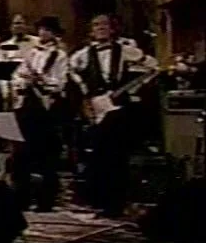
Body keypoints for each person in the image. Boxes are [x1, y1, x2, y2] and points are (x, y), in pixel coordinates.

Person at [69, 14, 158, 217]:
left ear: (113, 29)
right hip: (97, 105)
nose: (100, 28)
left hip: (118, 107)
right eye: (96, 25)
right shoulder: (83, 54)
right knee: (98, 156)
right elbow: (71, 70)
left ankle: (116, 204)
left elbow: (153, 66)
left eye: (104, 24)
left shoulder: (126, 50)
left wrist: (134, 88)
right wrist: (84, 90)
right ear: (91, 30)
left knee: (116, 156)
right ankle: (101, 201)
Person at [10, 16, 68, 212]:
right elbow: (17, 75)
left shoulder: (59, 55)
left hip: (46, 107)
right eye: (41, 29)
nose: (43, 33)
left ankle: (46, 200)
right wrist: (22, 82)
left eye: (47, 30)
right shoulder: (31, 53)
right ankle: (21, 197)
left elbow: (59, 83)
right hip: (27, 105)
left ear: (54, 33)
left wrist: (40, 80)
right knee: (21, 153)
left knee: (45, 155)